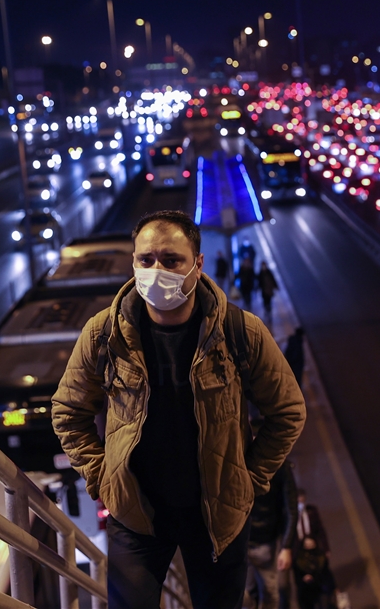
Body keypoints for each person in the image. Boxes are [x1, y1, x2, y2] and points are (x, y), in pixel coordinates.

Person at [51, 210, 307, 609]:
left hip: (216, 516)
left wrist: (250, 478)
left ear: (198, 264)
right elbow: (68, 411)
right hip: (136, 515)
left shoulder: (240, 331)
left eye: (172, 260)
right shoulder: (104, 333)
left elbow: (288, 411)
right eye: (146, 260)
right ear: (133, 262)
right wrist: (102, 478)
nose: (157, 271)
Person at [244, 460, 298, 609]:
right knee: (268, 592)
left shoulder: (236, 455)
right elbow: (291, 508)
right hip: (263, 539)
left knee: (246, 591)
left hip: (244, 540)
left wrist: (286, 546)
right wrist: (286, 546)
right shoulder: (279, 463)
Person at [282, 488, 335, 609]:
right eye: (299, 502)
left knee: (320, 579)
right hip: (298, 555)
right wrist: (301, 544)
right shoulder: (288, 516)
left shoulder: (312, 511)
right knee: (302, 586)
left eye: (303, 501)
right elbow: (287, 536)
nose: (301, 505)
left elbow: (320, 531)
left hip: (314, 552)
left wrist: (326, 548)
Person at [293, 536, 332, 609]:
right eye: (307, 545)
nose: (309, 546)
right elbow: (297, 578)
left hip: (320, 587)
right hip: (306, 591)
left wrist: (334, 587)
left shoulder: (321, 556)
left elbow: (327, 573)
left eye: (311, 544)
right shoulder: (299, 560)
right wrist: (303, 579)